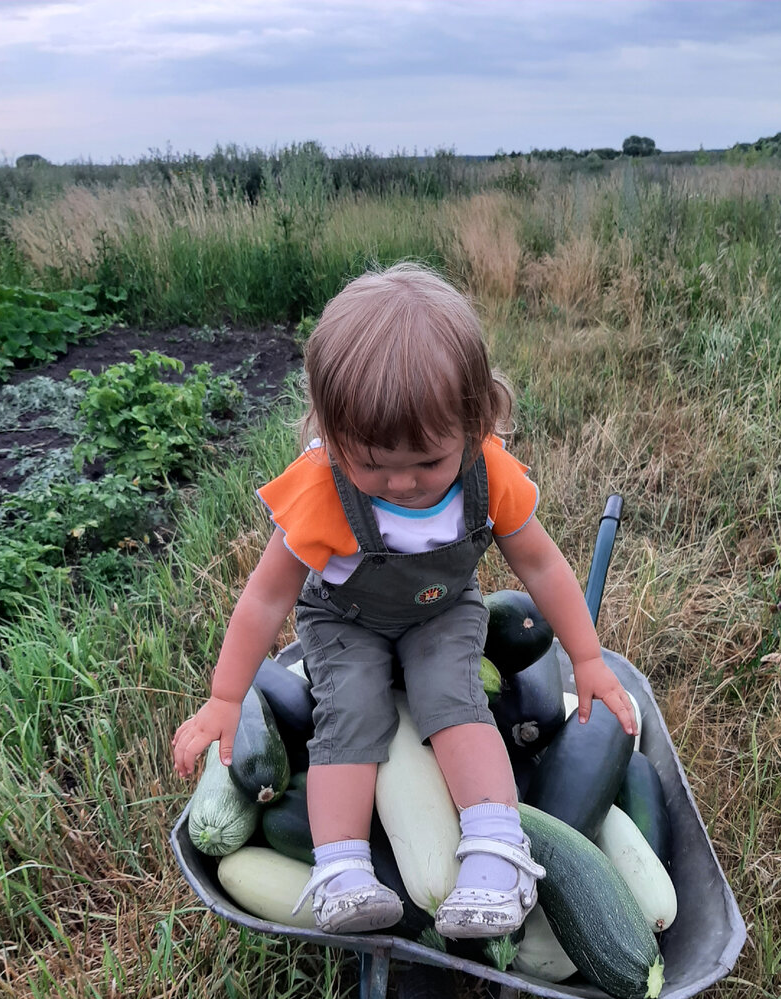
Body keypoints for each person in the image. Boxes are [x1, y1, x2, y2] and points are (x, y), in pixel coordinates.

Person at [172, 263, 636, 940]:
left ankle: (496, 854)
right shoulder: (323, 488)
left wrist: (588, 658)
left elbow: (539, 562)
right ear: (329, 434)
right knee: (350, 716)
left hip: (442, 610)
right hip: (344, 621)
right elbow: (265, 600)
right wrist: (223, 697)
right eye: (372, 463)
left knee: (455, 699)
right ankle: (339, 872)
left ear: (476, 422)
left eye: (428, 463)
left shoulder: (488, 472)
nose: (401, 483)